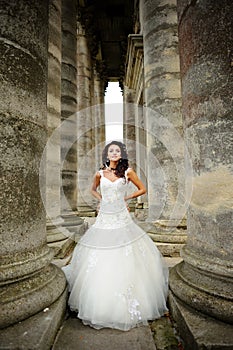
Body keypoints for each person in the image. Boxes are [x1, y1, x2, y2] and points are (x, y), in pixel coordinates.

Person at [62, 141, 168, 331]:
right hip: (104, 217)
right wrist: (101, 201)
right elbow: (93, 190)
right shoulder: (100, 173)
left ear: (122, 154)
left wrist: (125, 199)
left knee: (124, 249)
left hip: (121, 216)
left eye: (117, 150)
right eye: (111, 150)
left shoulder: (128, 172)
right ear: (106, 154)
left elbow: (143, 189)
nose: (114, 153)